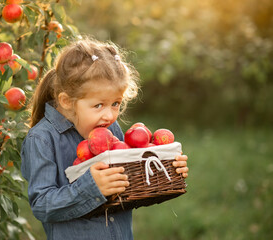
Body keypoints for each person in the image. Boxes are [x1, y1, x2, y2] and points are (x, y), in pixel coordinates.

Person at [20, 37, 189, 240]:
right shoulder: (42, 139)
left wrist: (163, 166)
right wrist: (91, 188)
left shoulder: (109, 129)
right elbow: (42, 205)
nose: (109, 115)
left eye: (116, 104)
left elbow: (129, 185)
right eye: (98, 105)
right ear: (66, 101)